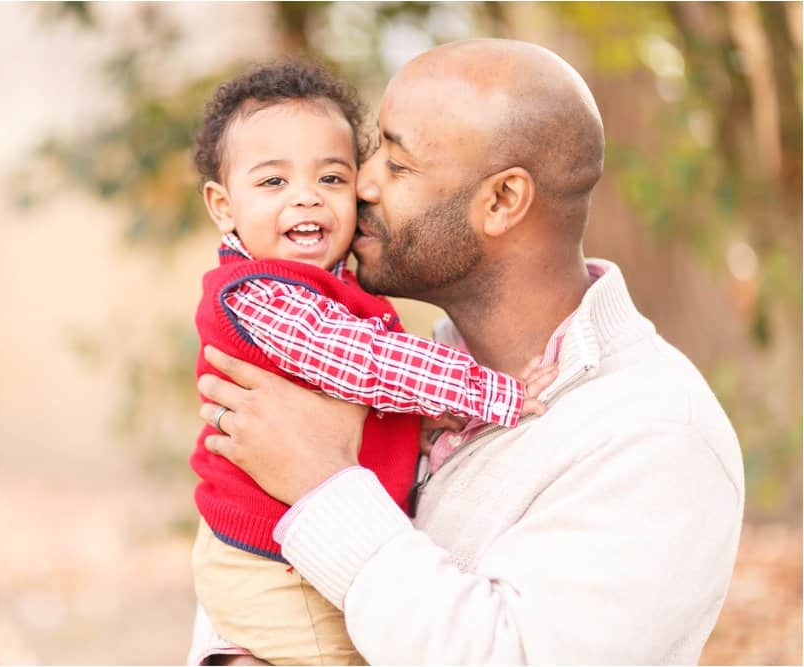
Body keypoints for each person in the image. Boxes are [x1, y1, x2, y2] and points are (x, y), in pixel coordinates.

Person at [192, 39, 744, 665]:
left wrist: (323, 485)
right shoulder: (391, 367)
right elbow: (247, 574)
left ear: (502, 200)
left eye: (395, 165)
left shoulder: (654, 432)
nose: (359, 186)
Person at [188, 60, 556, 666]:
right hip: (269, 561)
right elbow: (364, 367)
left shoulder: (334, 290)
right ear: (224, 207)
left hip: (298, 549)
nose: (307, 196)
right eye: (273, 183)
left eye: (331, 178)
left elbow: (364, 408)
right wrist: (492, 394)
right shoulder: (259, 294)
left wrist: (434, 423)